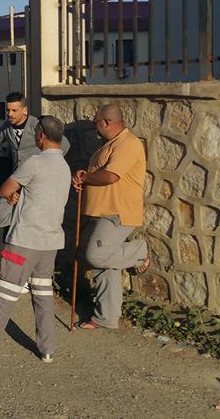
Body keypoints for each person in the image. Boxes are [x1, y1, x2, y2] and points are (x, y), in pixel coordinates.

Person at [0, 116, 71, 362]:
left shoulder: (35, 162)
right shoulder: (64, 166)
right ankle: (47, 348)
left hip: (25, 239)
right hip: (50, 242)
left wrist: (14, 195)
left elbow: (6, 190)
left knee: (4, 290)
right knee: (43, 294)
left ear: (40, 135)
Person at [72, 103, 148, 330]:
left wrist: (86, 179)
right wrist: (82, 175)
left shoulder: (128, 144)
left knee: (96, 256)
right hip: (102, 210)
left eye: (96, 121)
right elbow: (96, 174)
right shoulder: (107, 145)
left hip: (118, 212)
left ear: (106, 122)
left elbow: (111, 176)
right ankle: (106, 317)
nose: (95, 126)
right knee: (105, 266)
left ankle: (139, 251)